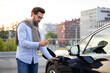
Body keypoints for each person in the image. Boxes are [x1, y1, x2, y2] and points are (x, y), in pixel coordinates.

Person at [15, 7, 58, 73]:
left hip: (34, 60)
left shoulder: (38, 29)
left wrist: (50, 58)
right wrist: (39, 44)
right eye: (39, 17)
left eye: (41, 18)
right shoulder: (23, 25)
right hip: (23, 59)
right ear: (32, 14)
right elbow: (23, 43)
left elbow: (42, 47)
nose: (40, 20)